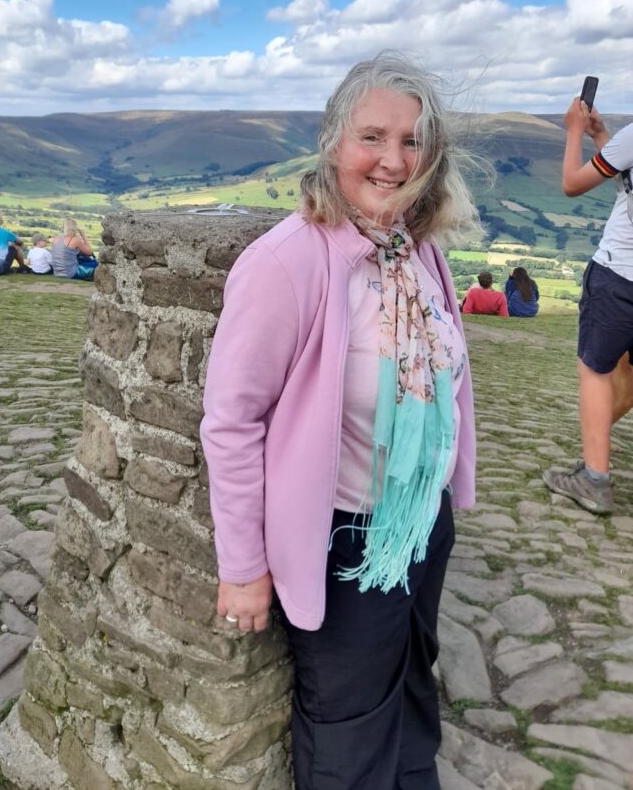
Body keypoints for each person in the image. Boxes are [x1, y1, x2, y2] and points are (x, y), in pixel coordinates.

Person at [201, 53, 478, 790]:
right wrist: (243, 567)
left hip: (421, 518)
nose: (394, 160)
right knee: (348, 724)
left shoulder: (418, 249)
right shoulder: (286, 263)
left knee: (414, 679)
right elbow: (232, 422)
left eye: (413, 141)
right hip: (348, 540)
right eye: (373, 137)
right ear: (332, 143)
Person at [543, 92, 631, 515]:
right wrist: (603, 137)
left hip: (620, 275)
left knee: (595, 370)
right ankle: (595, 447)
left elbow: (571, 185)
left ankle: (595, 480)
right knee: (628, 373)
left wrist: (576, 131)